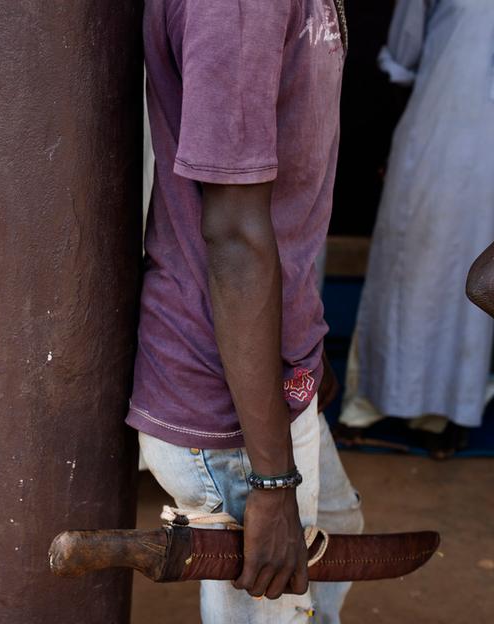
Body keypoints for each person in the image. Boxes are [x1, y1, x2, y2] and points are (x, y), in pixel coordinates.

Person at [127, 0, 364, 621]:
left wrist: (306, 349)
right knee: (283, 601)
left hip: (268, 364)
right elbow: (234, 237)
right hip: (225, 398)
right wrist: (272, 481)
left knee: (339, 528)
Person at [338, 0, 494, 459]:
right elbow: (402, 55)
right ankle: (369, 400)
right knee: (411, 267)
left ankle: (445, 413)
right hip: (438, 128)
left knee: (480, 279)